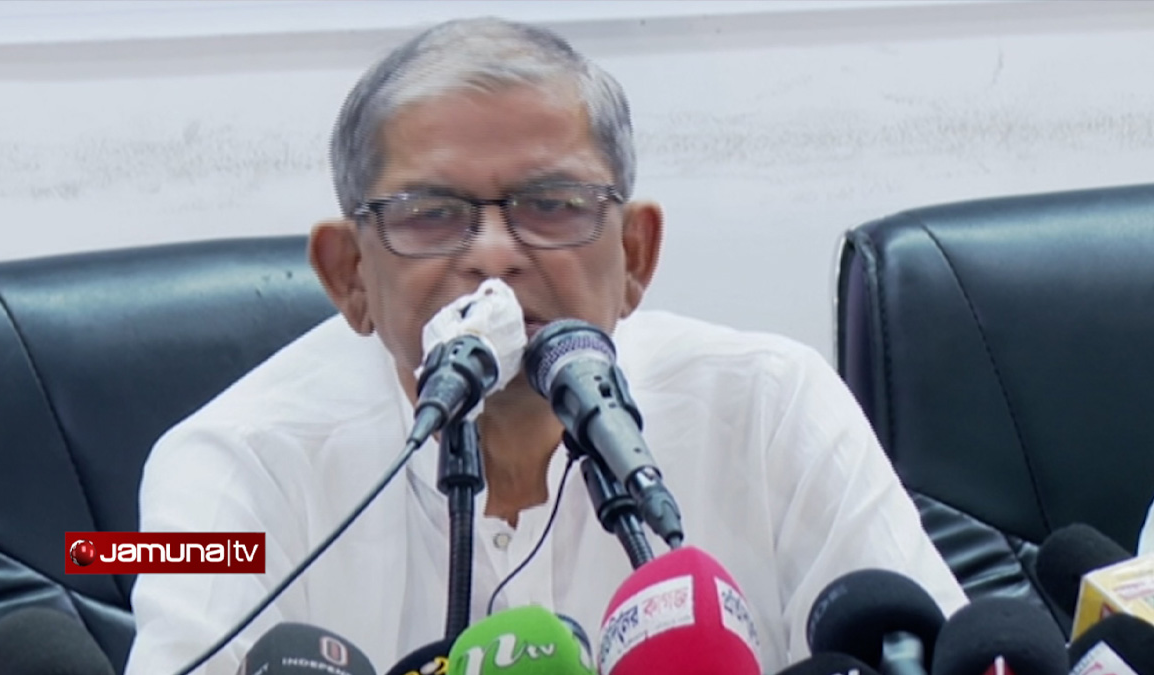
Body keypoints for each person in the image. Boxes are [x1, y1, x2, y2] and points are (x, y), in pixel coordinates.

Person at [125, 17, 966, 675]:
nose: (494, 254)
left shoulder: (775, 405)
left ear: (634, 255)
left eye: (553, 204)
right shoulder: (223, 466)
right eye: (431, 214)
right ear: (349, 274)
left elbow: (925, 645)